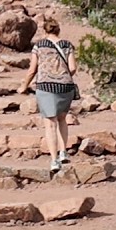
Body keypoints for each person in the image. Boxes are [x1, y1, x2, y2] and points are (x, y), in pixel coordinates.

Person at [18, 17, 79, 172]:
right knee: (62, 119)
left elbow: (32, 69)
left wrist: (24, 86)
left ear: (45, 30)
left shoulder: (39, 46)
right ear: (58, 29)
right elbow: (72, 68)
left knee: (50, 123)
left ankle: (54, 160)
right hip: (65, 87)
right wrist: (61, 75)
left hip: (46, 87)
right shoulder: (67, 45)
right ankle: (63, 152)